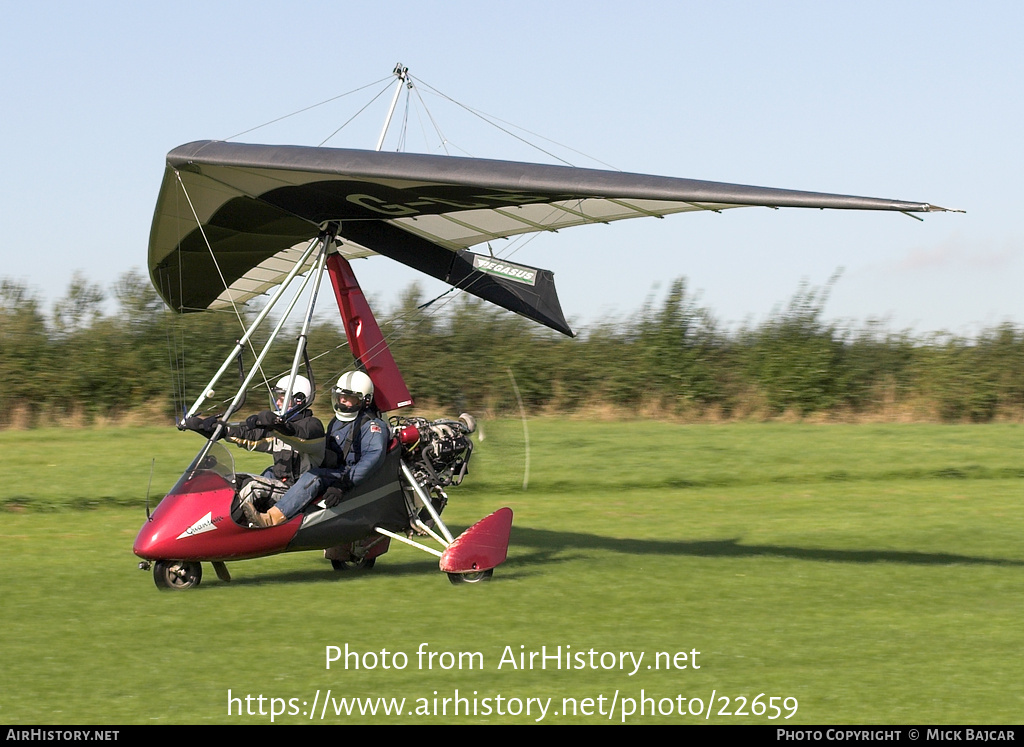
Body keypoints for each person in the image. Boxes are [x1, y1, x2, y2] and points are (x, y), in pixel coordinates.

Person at [240, 370, 388, 528]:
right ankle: (255, 506)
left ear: (364, 401)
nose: (342, 400)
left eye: (349, 397)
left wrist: (342, 485)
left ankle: (271, 518)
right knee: (275, 471)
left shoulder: (372, 426)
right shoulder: (336, 421)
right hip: (332, 469)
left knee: (313, 476)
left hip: (347, 477)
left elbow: (372, 459)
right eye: (340, 396)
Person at [182, 374, 326, 508]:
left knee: (251, 487)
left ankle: (233, 528)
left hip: (300, 492)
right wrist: (216, 429)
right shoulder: (276, 431)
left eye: (281, 398)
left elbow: (299, 436)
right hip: (281, 486)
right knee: (231, 482)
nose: (277, 402)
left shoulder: (312, 425)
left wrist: (276, 425)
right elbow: (249, 435)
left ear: (298, 401)